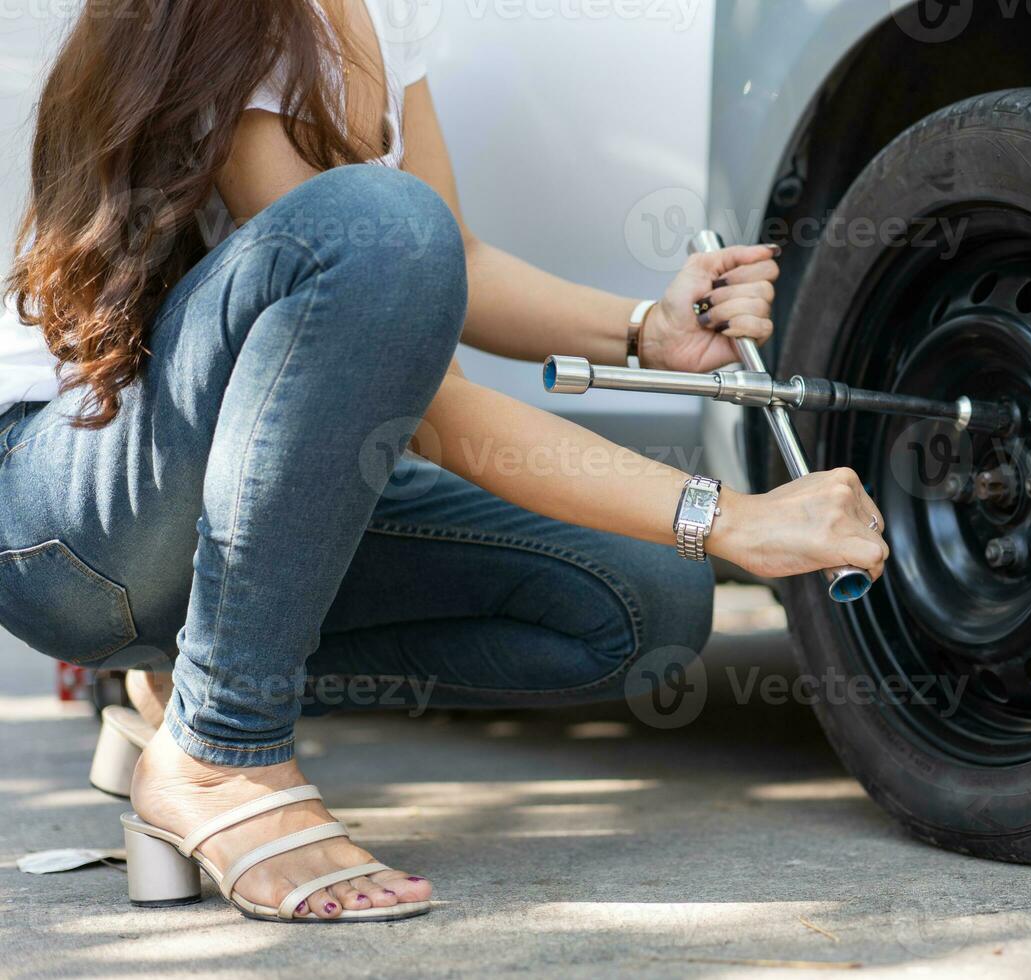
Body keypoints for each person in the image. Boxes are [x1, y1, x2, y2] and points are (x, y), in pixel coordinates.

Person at [0, 0, 888, 922]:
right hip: (73, 513)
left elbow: (452, 259)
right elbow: (426, 384)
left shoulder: (386, 14)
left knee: (645, 601)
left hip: (221, 503)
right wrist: (733, 518)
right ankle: (222, 751)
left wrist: (645, 332)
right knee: (381, 220)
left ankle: (186, 682)